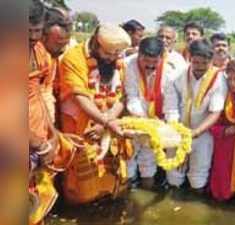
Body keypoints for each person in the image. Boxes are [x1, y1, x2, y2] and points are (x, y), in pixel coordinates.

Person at [58, 23, 132, 204]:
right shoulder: (73, 58)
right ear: (95, 44)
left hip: (109, 125)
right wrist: (104, 123)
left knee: (110, 180)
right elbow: (79, 96)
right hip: (81, 127)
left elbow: (122, 96)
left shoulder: (117, 61)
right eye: (109, 54)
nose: (113, 58)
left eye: (117, 54)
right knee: (82, 182)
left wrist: (106, 123)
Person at [167, 39, 227, 194]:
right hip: (177, 130)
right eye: (196, 62)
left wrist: (195, 133)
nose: (199, 67)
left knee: (198, 176)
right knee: (174, 172)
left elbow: (215, 112)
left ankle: (196, 204)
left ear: (211, 60)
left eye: (204, 63)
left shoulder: (219, 79)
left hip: (203, 133)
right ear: (189, 58)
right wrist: (179, 132)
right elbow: (171, 107)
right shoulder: (176, 76)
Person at [124, 37, 179, 189]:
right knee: (128, 158)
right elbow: (132, 96)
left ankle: (146, 189)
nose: (150, 66)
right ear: (139, 54)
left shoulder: (169, 71)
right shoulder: (128, 65)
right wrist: (144, 122)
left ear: (161, 58)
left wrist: (171, 128)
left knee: (148, 162)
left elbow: (171, 103)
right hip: (132, 120)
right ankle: (125, 194)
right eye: (146, 62)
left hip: (157, 123)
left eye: (154, 63)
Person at [28, 1, 58, 224]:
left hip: (36, 141)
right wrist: (39, 144)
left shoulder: (39, 51)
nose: (32, 37)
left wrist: (52, 132)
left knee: (35, 206)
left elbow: (38, 94)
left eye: (36, 30)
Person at [209, 59, 235, 201]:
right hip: (226, 144)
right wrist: (232, 129)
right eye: (229, 79)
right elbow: (212, 125)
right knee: (222, 184)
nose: (232, 83)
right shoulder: (221, 96)